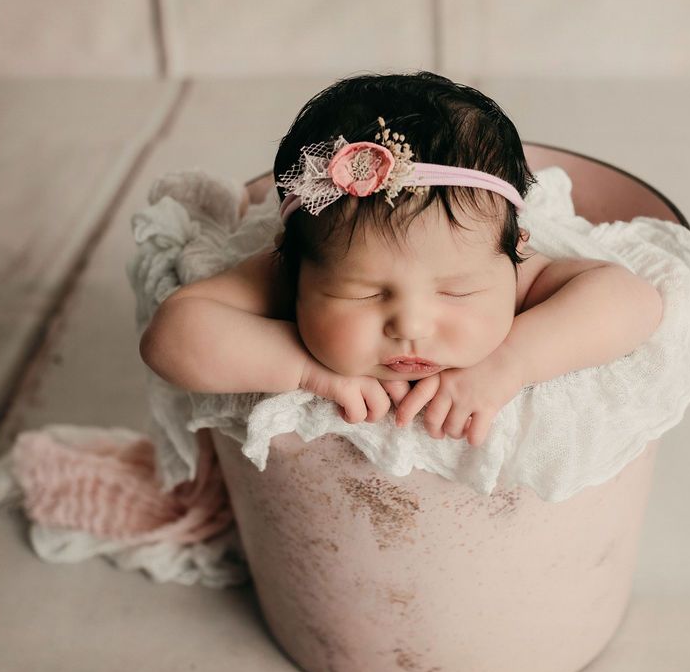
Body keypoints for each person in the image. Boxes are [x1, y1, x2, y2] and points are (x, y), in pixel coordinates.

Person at [139, 71, 663, 447]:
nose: (410, 323)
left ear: (515, 248)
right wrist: (305, 370)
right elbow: (172, 337)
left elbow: (632, 300)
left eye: (456, 292)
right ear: (296, 267)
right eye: (362, 292)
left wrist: (511, 362)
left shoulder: (513, 269)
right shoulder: (293, 273)